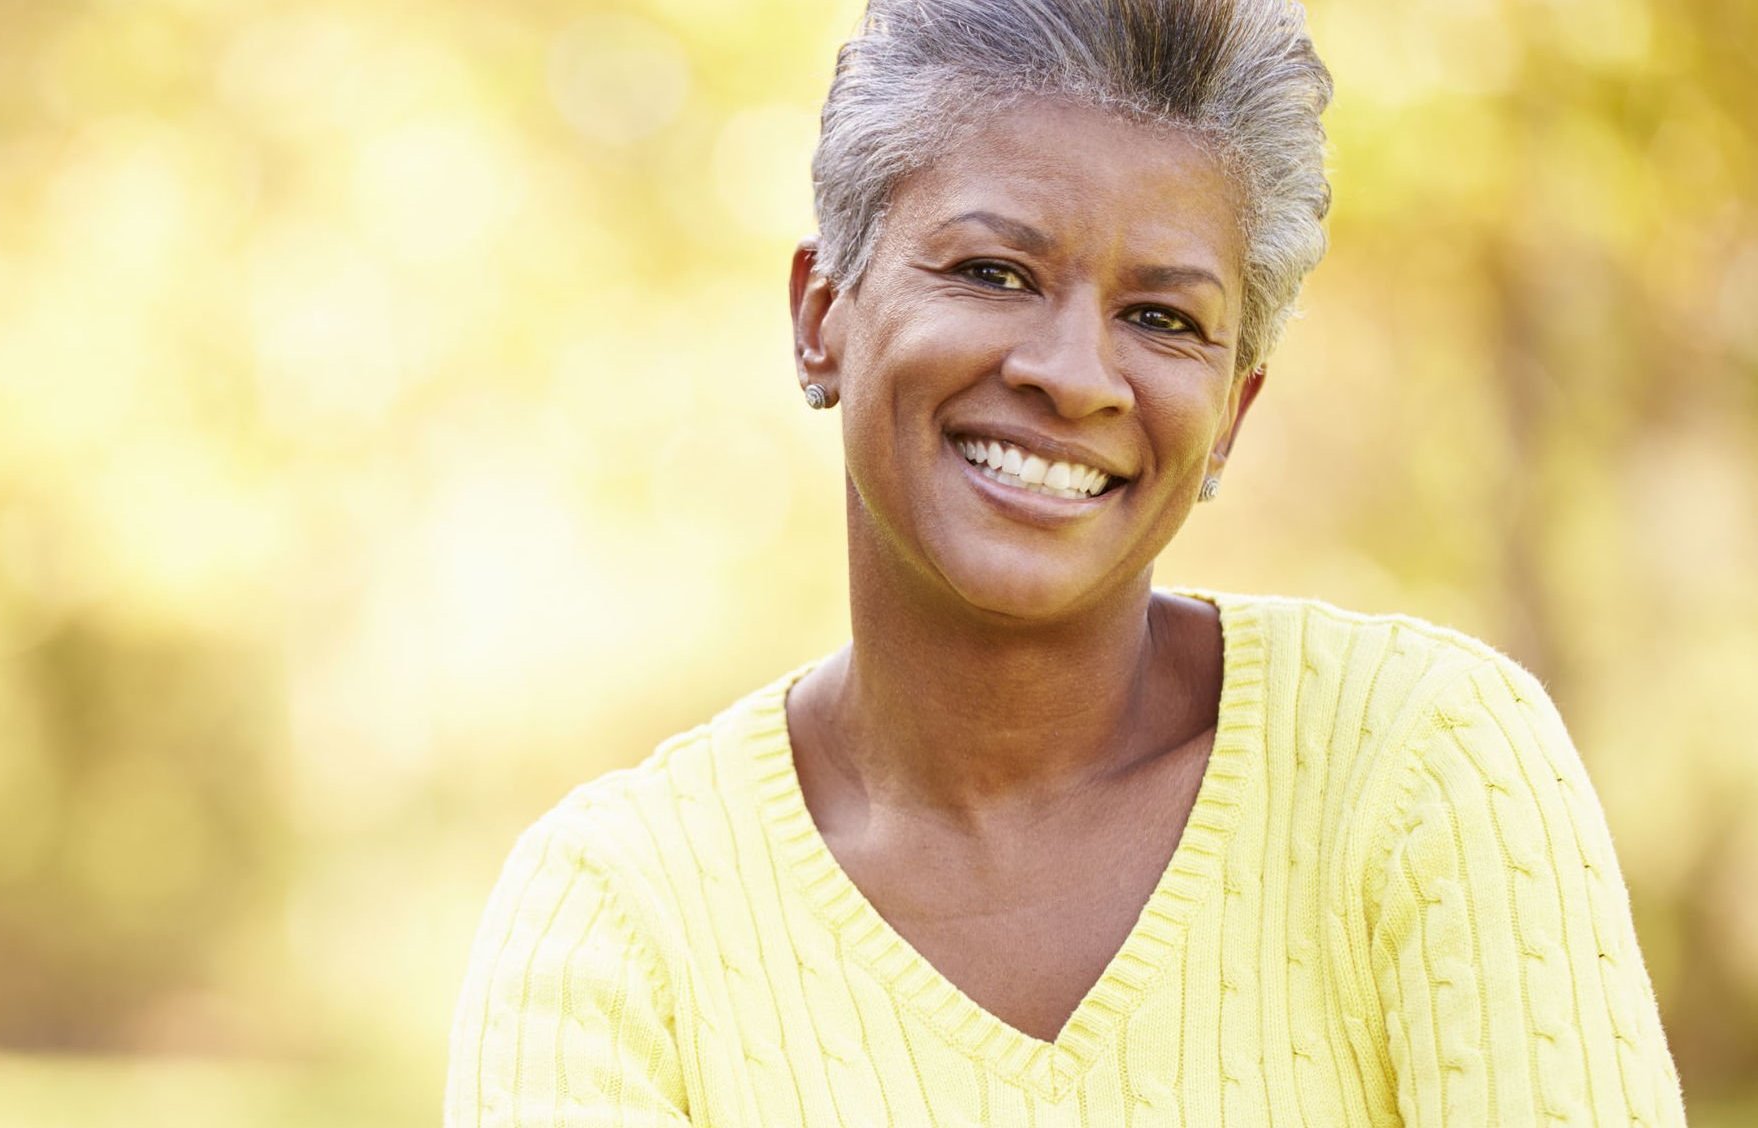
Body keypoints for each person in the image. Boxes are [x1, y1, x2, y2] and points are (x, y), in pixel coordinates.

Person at [444, 0, 1687, 1122]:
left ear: (1230, 417)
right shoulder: (615, 922)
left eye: (1161, 318)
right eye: (992, 271)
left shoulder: (1424, 762)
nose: (1075, 375)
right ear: (823, 318)